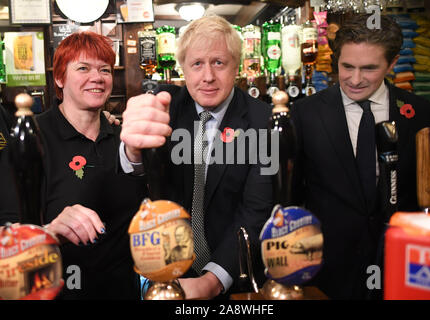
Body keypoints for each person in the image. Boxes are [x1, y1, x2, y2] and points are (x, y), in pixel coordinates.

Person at [291, 14, 430, 299]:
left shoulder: (422, 114)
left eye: (369, 69)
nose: (355, 79)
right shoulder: (306, 114)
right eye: (347, 66)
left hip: (400, 265)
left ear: (392, 63)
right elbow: (292, 196)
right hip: (327, 268)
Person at [120, 15, 273, 299]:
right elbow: (137, 175)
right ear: (183, 69)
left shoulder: (263, 121)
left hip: (236, 279)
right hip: (167, 273)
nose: (208, 77)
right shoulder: (164, 108)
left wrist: (212, 280)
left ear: (236, 66)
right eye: (197, 64)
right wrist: (132, 148)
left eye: (219, 62)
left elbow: (256, 211)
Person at [1, 32, 148, 299]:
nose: (97, 77)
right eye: (83, 68)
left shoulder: (124, 138)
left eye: (104, 69)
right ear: (59, 78)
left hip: (122, 291)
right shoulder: (31, 139)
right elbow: (5, 234)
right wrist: (49, 232)